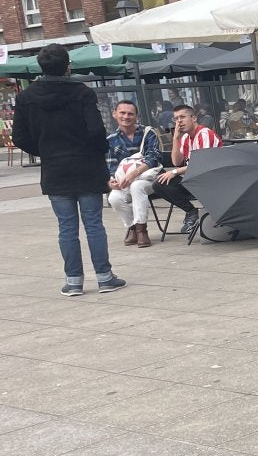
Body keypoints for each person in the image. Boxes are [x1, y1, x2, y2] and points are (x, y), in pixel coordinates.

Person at [12, 44, 125, 296]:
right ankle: (104, 277)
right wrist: (97, 149)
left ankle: (74, 281)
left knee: (66, 227)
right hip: (86, 165)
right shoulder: (81, 92)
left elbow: (19, 137)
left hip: (55, 168)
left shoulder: (26, 97)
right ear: (67, 65)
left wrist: (45, 149)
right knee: (94, 224)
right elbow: (96, 130)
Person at [152, 104, 223, 235]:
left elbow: (203, 164)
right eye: (176, 118)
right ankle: (191, 212)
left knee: (169, 176)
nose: (179, 121)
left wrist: (174, 172)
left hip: (211, 182)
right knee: (159, 183)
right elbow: (176, 161)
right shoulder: (185, 138)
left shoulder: (205, 134)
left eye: (183, 117)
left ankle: (198, 215)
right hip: (194, 181)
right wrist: (175, 139)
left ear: (194, 118)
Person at [105, 99, 163, 248]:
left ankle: (142, 230)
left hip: (150, 178)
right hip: (125, 181)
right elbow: (111, 165)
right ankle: (132, 227)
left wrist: (134, 173)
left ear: (136, 116)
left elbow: (154, 158)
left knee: (137, 186)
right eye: (122, 113)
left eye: (130, 114)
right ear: (115, 114)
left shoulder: (147, 132)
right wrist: (112, 181)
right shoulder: (111, 140)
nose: (126, 116)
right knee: (114, 198)